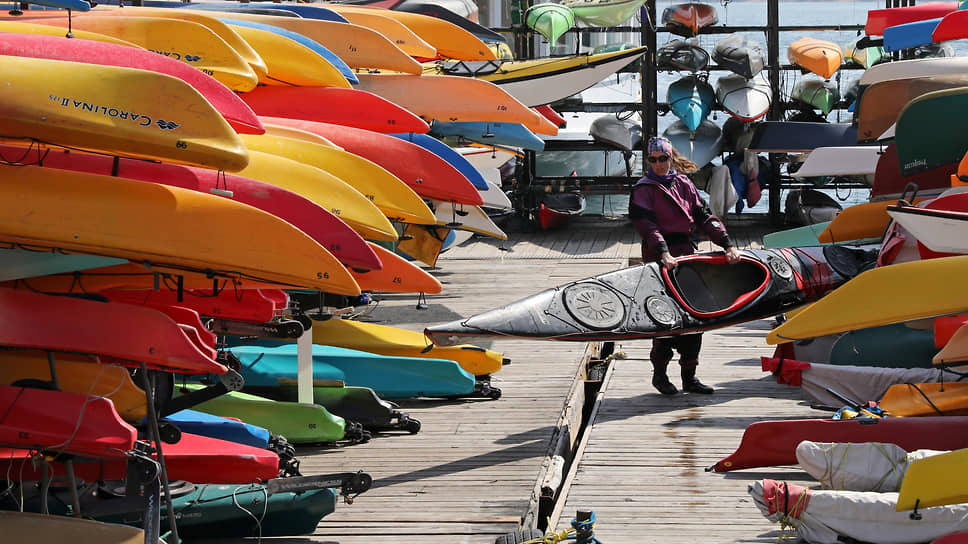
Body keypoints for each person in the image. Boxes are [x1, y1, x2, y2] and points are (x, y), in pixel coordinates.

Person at [628, 136, 741, 396]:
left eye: (663, 159)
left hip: (687, 254)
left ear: (670, 158)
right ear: (648, 161)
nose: (658, 164)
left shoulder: (683, 182)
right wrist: (663, 253)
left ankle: (690, 377)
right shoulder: (643, 189)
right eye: (653, 160)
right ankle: (660, 375)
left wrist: (727, 244)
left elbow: (703, 216)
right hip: (660, 258)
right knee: (665, 318)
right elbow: (647, 227)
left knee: (695, 316)